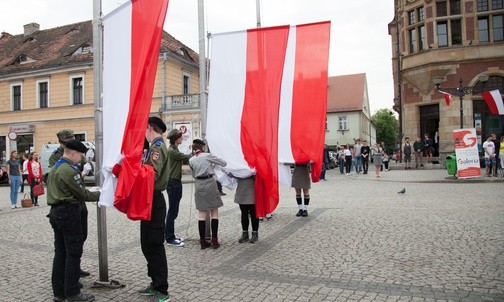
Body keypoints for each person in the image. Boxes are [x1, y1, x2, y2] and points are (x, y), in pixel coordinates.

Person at [46, 139, 100, 302]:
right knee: (73, 254)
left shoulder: (56, 168)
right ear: (74, 153)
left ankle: (59, 292)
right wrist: (102, 193)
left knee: (60, 253)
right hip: (69, 213)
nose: (81, 159)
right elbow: (83, 195)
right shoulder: (69, 171)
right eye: (81, 155)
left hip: (56, 212)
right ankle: (72, 292)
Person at [137, 117, 171, 301]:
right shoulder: (153, 147)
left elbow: (152, 174)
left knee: (155, 245)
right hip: (149, 201)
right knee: (146, 244)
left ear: (150, 127)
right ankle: (155, 282)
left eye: (144, 129)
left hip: (155, 200)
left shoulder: (157, 148)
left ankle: (162, 290)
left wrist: (134, 171)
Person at [49, 129, 91, 278]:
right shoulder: (57, 158)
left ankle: (68, 277)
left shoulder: (70, 157)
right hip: (69, 202)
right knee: (70, 247)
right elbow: (70, 175)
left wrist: (85, 168)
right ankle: (71, 281)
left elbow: (83, 163)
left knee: (79, 238)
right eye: (69, 140)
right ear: (62, 142)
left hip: (74, 202)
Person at [189, 139, 227, 249]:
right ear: (202, 147)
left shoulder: (191, 160)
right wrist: (212, 165)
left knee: (202, 214)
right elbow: (224, 163)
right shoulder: (207, 155)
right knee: (214, 212)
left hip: (199, 184)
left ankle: (202, 241)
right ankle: (214, 240)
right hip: (210, 183)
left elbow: (193, 174)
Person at [165, 128, 192, 247]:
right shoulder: (172, 151)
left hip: (175, 182)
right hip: (173, 183)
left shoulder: (174, 149)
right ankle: (169, 238)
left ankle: (170, 234)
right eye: (180, 137)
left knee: (174, 210)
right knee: (172, 211)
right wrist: (195, 151)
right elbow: (186, 158)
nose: (182, 139)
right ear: (176, 139)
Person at [234, 175, 259, 243]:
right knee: (244, 213)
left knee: (253, 213)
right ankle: (245, 233)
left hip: (252, 188)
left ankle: (255, 233)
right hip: (242, 188)